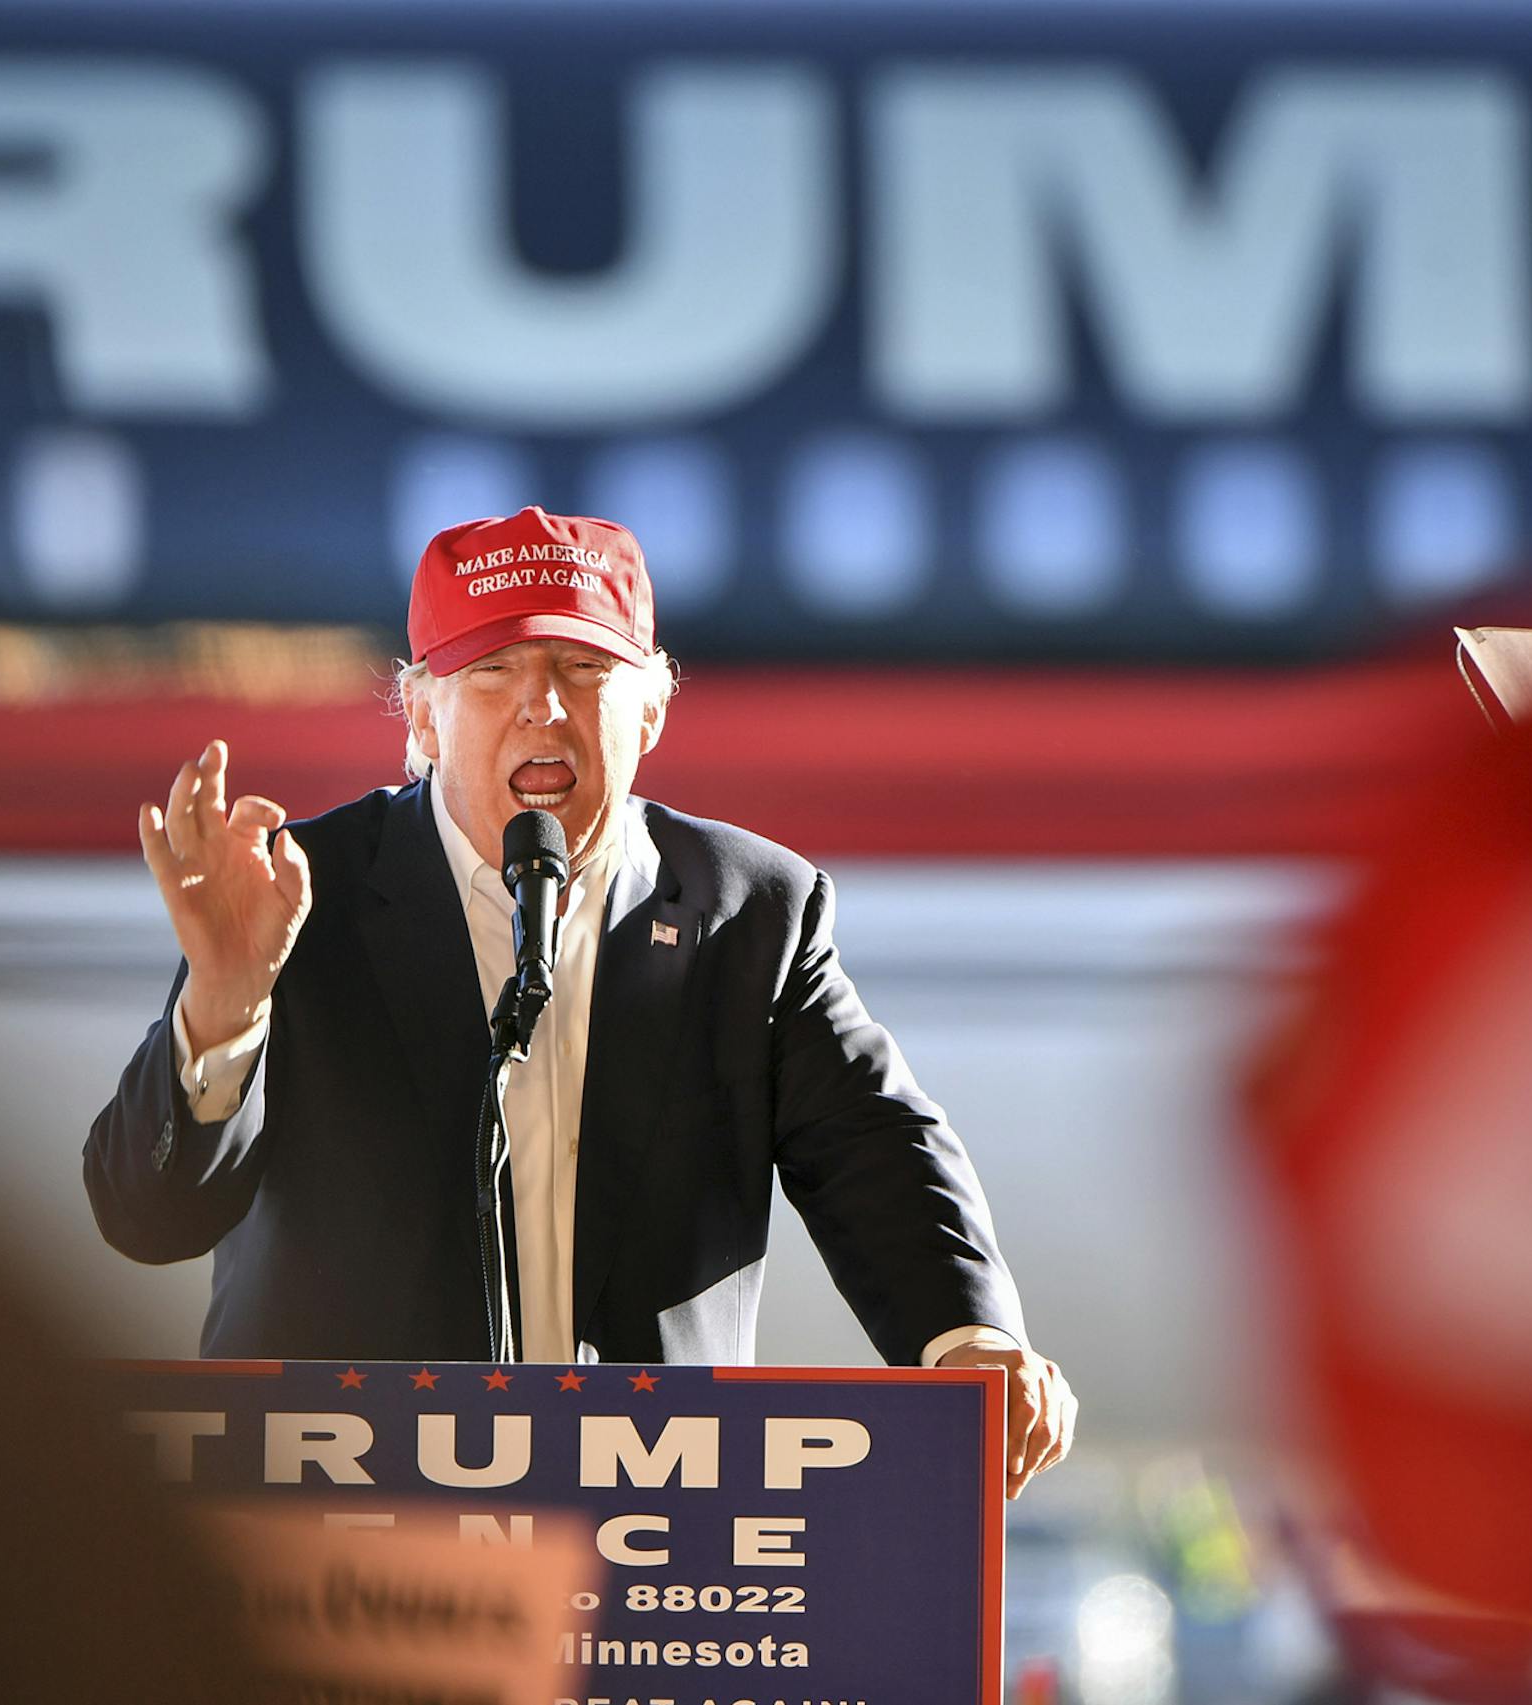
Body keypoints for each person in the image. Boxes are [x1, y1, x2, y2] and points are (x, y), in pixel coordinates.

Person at [86, 506, 1076, 1497]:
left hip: (645, 1549)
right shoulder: (299, 896)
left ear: (649, 714)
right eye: (495, 671)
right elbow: (148, 1213)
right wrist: (224, 1004)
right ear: (422, 717)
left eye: (583, 670)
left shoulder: (750, 912)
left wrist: (969, 1337)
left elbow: (877, 1146)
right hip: (344, 1534)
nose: (542, 708)